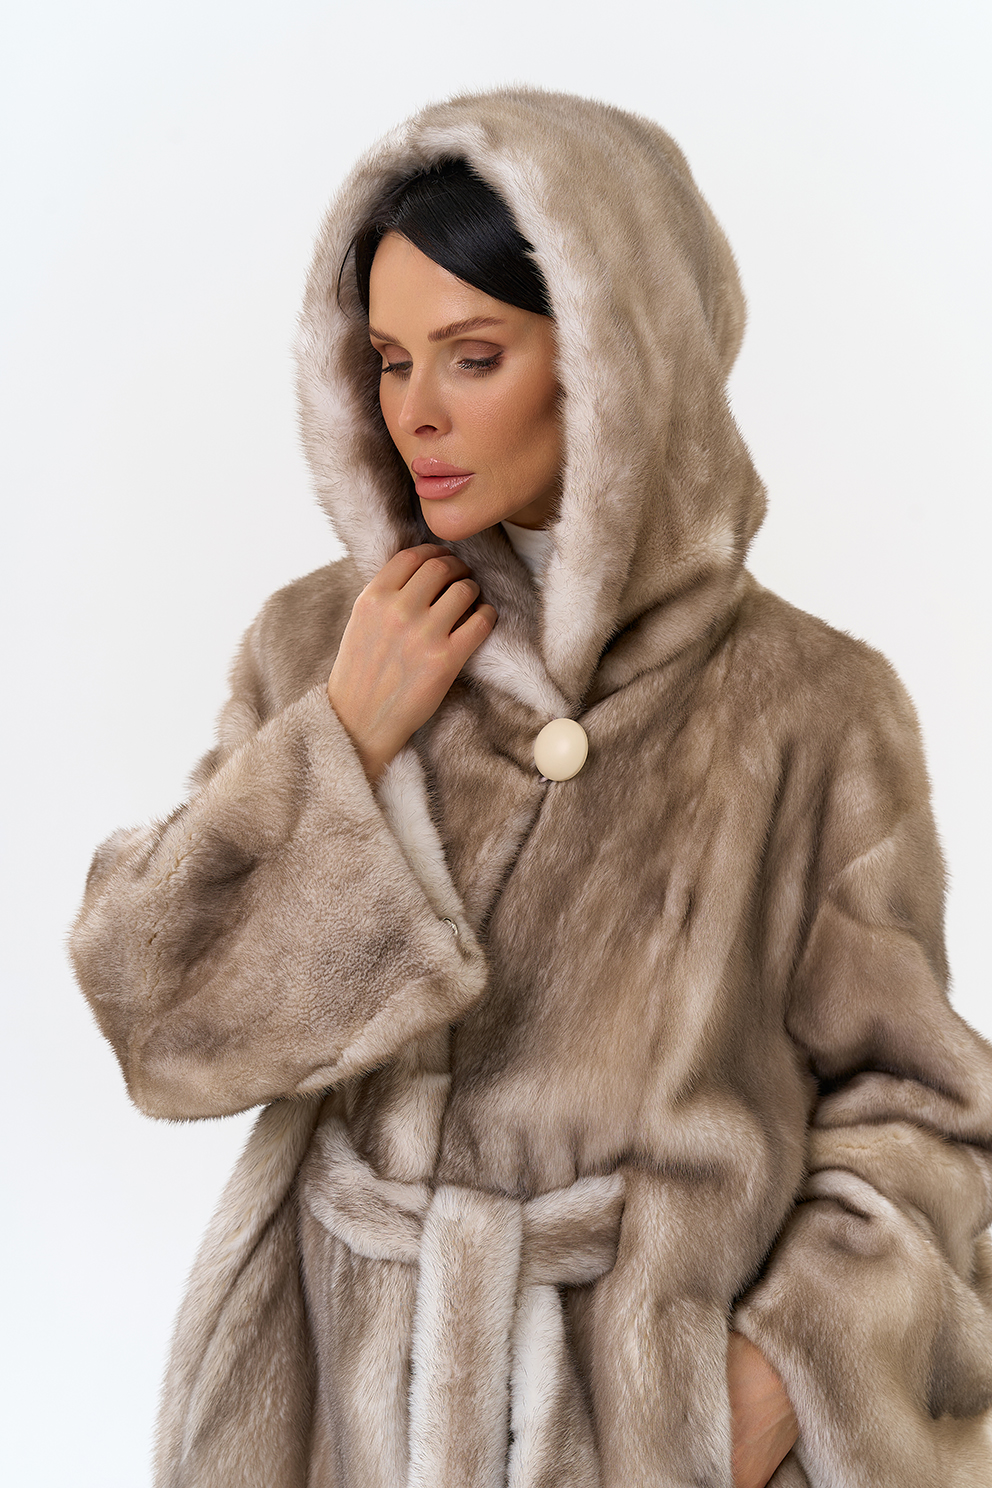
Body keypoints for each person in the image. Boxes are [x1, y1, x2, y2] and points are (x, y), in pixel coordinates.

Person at [70, 88, 992, 1488]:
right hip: (344, 1412)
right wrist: (340, 746)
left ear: (620, 359)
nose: (416, 413)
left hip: (650, 1423)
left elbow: (924, 1111)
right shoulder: (324, 646)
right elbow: (163, 1021)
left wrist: (784, 1374)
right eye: (389, 361)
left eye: (473, 356)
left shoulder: (815, 707)